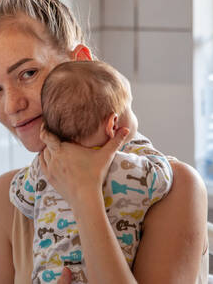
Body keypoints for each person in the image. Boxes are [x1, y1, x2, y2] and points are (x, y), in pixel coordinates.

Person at [0, 0, 208, 284]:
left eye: (27, 74)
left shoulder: (174, 188)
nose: (12, 105)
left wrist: (85, 195)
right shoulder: (7, 198)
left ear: (80, 61)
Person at [10, 60, 174, 283]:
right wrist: (137, 145)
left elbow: (21, 195)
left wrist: (46, 152)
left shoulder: (44, 168)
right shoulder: (130, 168)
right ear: (113, 125)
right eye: (130, 109)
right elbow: (162, 177)